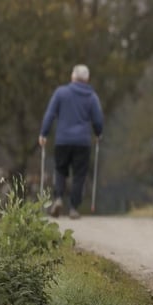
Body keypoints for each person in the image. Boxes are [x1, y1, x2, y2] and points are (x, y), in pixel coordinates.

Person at [39, 64, 103, 219]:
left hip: (63, 140)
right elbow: (98, 119)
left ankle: (58, 198)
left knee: (60, 170)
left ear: (73, 77)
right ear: (87, 79)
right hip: (82, 141)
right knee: (79, 175)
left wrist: (44, 133)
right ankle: (74, 208)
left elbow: (50, 113)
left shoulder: (61, 93)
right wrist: (98, 133)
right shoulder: (92, 96)